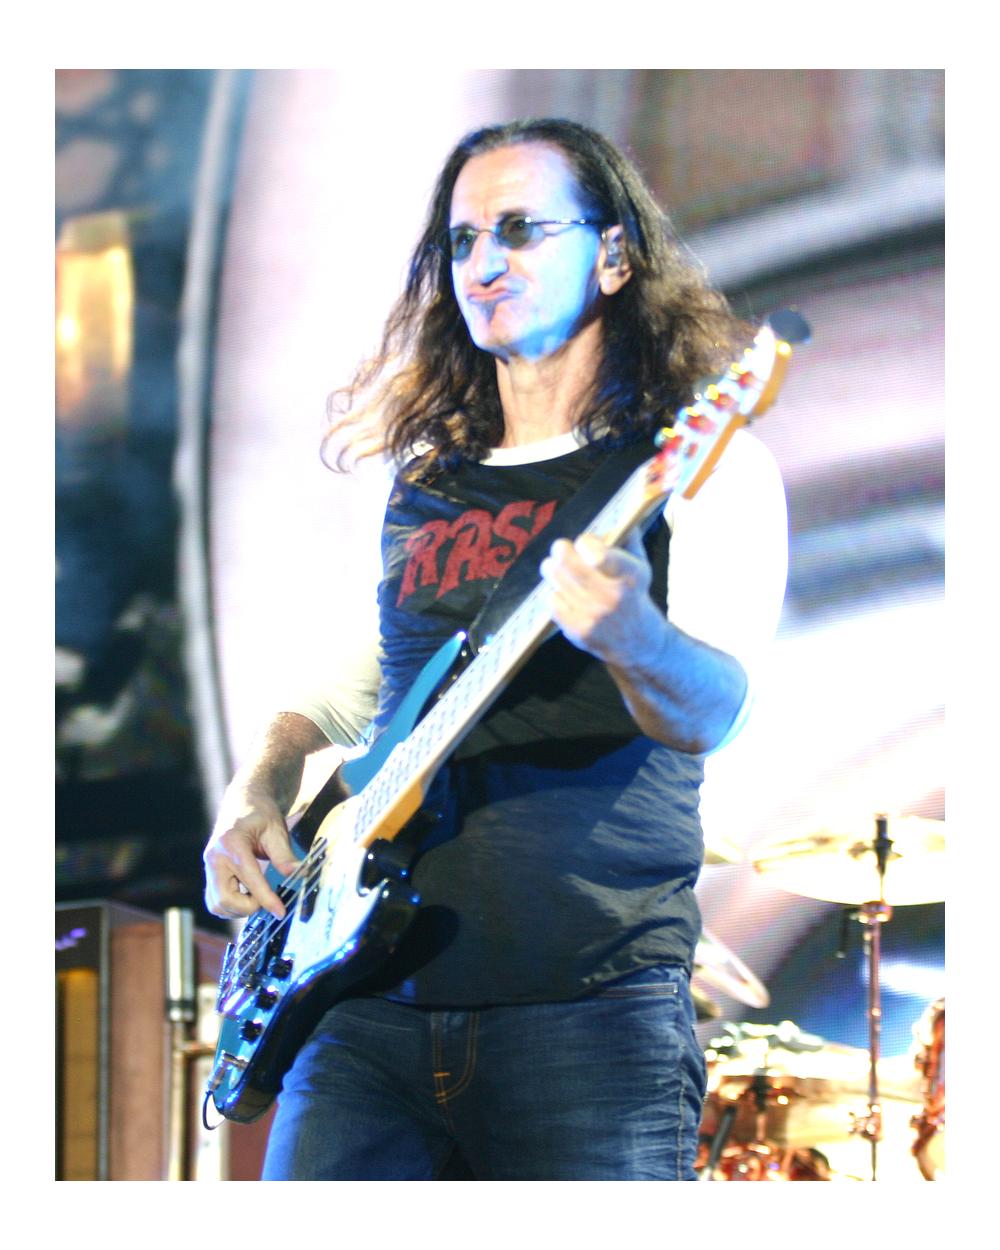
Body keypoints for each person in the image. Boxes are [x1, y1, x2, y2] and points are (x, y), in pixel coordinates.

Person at [203, 117, 788, 1180]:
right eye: (462, 241)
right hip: (361, 1007)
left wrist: (633, 638)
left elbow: (714, 711)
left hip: (587, 1008)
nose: (483, 264)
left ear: (614, 256)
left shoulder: (698, 468)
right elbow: (374, 671)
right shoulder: (428, 479)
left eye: (519, 229)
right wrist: (264, 778)